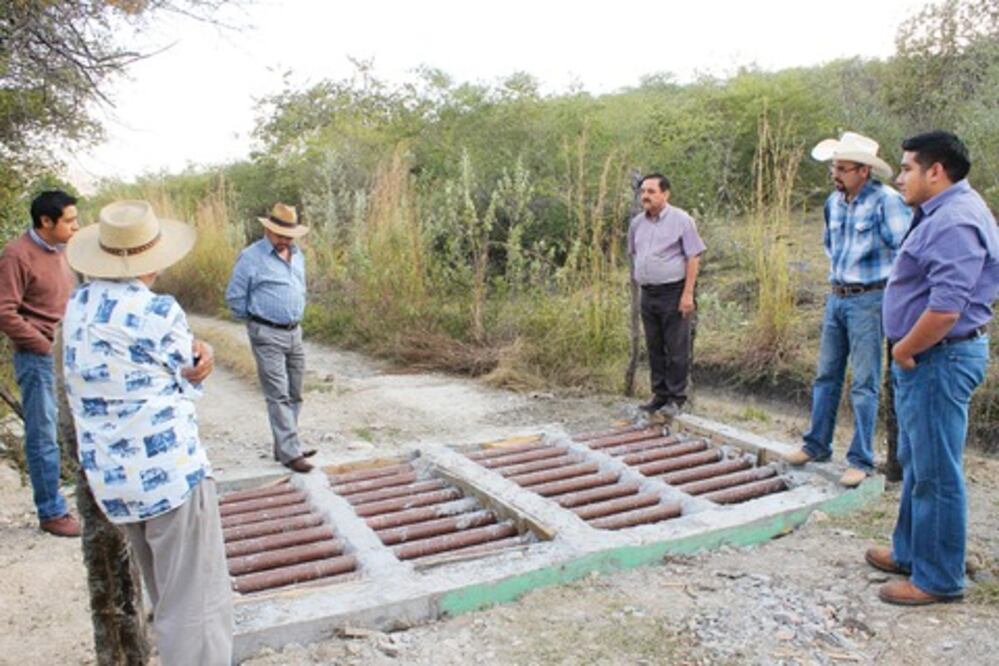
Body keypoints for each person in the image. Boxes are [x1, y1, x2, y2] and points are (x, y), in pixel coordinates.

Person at [62, 200, 232, 664]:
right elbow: (189, 372)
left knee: (167, 598)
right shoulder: (156, 310)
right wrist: (204, 357)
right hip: (171, 477)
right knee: (197, 610)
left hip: (115, 482)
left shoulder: (78, 306)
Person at [866, 131, 998, 606]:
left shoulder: (954, 222)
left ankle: (938, 579)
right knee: (920, 461)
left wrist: (904, 350)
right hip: (930, 355)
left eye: (906, 168)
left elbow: (945, 309)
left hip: (937, 357)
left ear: (935, 171)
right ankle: (910, 553)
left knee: (937, 471)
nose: (899, 177)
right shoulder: (941, 212)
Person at [785, 132, 911, 487]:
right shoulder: (834, 202)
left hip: (870, 299)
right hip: (837, 295)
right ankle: (816, 444)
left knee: (865, 382)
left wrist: (894, 299)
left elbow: (905, 254)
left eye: (842, 168)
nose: (835, 174)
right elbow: (830, 244)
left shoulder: (887, 202)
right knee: (826, 374)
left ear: (863, 171)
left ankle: (860, 458)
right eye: (834, 168)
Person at [0, 190, 82, 536]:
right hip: (38, 358)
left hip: (69, 354)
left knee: (78, 427)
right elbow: (4, 311)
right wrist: (43, 344)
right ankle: (51, 511)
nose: (76, 226)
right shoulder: (17, 255)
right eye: (69, 221)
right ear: (46, 222)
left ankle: (85, 501)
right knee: (43, 434)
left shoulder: (65, 251)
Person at [224, 202, 315, 472]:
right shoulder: (251, 257)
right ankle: (290, 452)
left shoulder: (298, 255)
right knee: (278, 394)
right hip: (266, 332)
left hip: (294, 332)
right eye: (279, 235)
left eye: (289, 235)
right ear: (268, 230)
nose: (284, 240)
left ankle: (287, 446)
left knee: (295, 391)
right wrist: (256, 322)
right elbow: (235, 296)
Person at [628, 173, 705, 416]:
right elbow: (634, 253)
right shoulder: (637, 223)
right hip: (648, 293)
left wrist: (687, 294)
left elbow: (693, 256)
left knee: (676, 347)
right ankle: (659, 394)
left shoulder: (682, 220)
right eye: (643, 192)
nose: (645, 196)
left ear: (665, 194)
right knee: (654, 346)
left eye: (651, 191)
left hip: (674, 291)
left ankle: (676, 397)